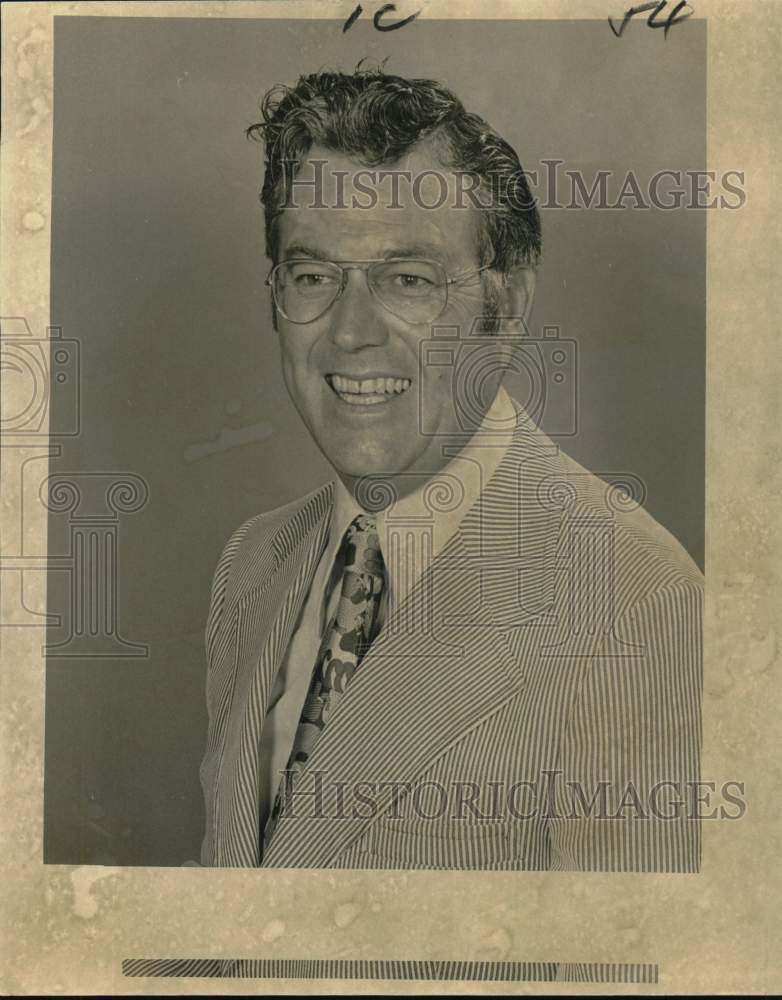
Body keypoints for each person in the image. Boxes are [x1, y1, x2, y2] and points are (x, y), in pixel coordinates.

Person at [197, 68, 703, 872]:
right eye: (314, 276)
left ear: (507, 306)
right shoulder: (254, 562)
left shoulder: (639, 606)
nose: (351, 333)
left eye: (408, 281)